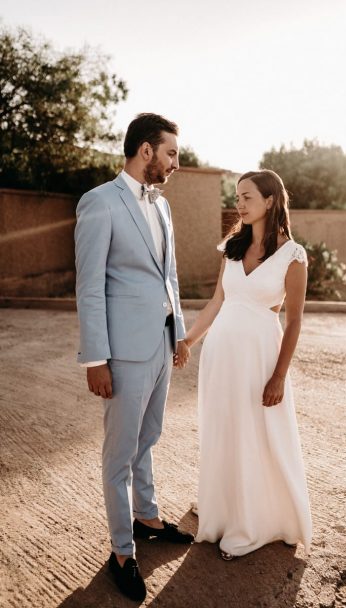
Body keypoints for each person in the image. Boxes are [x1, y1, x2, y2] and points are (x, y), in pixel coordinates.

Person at [75, 113, 193, 602]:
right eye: (171, 153)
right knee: (119, 454)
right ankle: (122, 552)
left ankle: (147, 518)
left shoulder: (161, 206)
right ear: (145, 151)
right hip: (122, 352)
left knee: (150, 436)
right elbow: (89, 287)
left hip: (162, 344)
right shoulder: (100, 203)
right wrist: (95, 359)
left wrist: (180, 332)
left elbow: (170, 275)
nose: (176, 163)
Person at [185, 169, 312, 559]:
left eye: (247, 197)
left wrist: (278, 376)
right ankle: (222, 512)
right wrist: (188, 340)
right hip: (221, 355)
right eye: (237, 196)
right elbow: (216, 303)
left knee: (258, 434)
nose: (238, 203)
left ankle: (252, 524)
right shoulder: (232, 248)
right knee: (224, 429)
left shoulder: (293, 255)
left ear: (271, 201)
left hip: (260, 357)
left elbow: (293, 321)